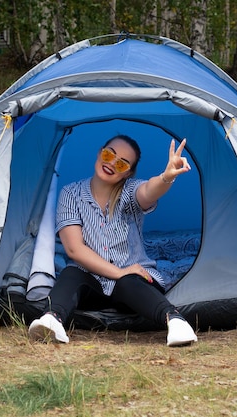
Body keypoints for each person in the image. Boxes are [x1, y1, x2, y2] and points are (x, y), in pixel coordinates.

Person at [28, 134, 198, 347]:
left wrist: (166, 176)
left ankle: (175, 321)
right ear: (100, 152)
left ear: (128, 172)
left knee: (128, 281)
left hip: (133, 284)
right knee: (72, 272)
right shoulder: (70, 194)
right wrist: (118, 272)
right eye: (109, 154)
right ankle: (51, 320)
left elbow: (148, 191)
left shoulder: (129, 191)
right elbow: (74, 250)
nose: (111, 164)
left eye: (122, 163)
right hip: (92, 285)